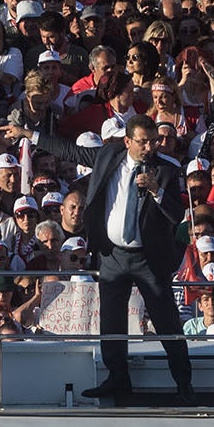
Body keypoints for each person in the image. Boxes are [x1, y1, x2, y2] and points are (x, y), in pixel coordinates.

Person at [80, 114, 194, 406]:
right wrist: (30, 134)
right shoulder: (109, 156)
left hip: (148, 258)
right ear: (128, 141)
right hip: (112, 256)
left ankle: (184, 383)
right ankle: (117, 378)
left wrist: (156, 190)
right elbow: (71, 151)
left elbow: (176, 215)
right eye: (143, 141)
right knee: (111, 322)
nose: (149, 147)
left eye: (153, 141)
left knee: (167, 321)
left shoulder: (167, 170)